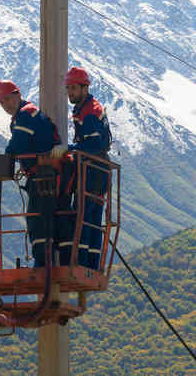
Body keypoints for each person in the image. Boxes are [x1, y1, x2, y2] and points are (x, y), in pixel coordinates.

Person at [0, 80, 62, 268]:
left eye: (8, 99)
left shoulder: (25, 115)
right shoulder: (26, 114)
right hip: (45, 174)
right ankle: (48, 261)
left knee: (37, 219)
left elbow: (17, 145)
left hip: (43, 175)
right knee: (44, 218)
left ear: (18, 95)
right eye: (2, 102)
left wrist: (4, 160)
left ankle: (43, 264)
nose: (6, 105)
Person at [63, 67, 112, 269]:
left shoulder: (90, 112)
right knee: (92, 219)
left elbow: (92, 144)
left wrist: (70, 149)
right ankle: (91, 264)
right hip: (99, 170)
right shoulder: (88, 107)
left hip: (93, 169)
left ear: (85, 88)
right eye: (68, 88)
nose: (70, 93)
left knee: (83, 216)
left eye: (73, 88)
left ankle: (82, 262)